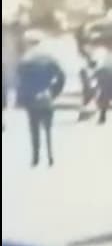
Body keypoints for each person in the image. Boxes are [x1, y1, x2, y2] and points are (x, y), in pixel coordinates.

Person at [17, 31, 65, 168]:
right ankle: (50, 156)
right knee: (48, 128)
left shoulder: (26, 59)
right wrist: (55, 91)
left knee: (34, 129)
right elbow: (61, 76)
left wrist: (22, 99)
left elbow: (21, 81)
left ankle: (36, 158)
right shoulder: (49, 58)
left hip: (32, 99)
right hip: (47, 97)